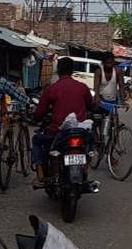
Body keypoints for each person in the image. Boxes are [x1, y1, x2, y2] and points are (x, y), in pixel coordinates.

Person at [32, 57, 93, 187]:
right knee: (91, 146)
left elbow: (40, 112)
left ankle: (40, 174)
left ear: (58, 70)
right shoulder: (82, 87)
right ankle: (85, 169)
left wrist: (35, 118)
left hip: (57, 132)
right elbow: (91, 105)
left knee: (37, 140)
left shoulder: (52, 89)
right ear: (72, 71)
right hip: (79, 132)